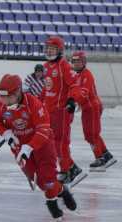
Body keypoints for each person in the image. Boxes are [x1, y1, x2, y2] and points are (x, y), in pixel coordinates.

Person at [0, 74, 77, 221]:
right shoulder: (0, 105)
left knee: (48, 180)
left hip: (42, 145)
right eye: (1, 97)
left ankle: (53, 199)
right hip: (20, 147)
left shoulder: (34, 104)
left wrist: (29, 147)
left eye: (8, 98)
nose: (4, 101)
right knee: (38, 181)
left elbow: (43, 129)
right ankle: (60, 189)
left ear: (18, 93)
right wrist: (6, 134)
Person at [42, 36, 83, 183]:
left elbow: (75, 84)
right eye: (47, 48)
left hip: (62, 111)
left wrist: (72, 100)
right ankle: (72, 167)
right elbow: (46, 89)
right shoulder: (46, 66)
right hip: (49, 111)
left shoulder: (64, 65)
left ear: (59, 50)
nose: (49, 51)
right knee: (52, 142)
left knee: (61, 142)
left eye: (52, 49)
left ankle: (66, 171)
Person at [67, 51, 116, 171]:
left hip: (92, 107)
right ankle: (106, 155)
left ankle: (100, 158)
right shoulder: (75, 75)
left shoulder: (86, 75)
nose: (76, 64)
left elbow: (84, 92)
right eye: (74, 61)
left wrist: (75, 101)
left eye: (79, 61)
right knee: (91, 134)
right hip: (87, 108)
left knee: (91, 134)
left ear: (84, 62)